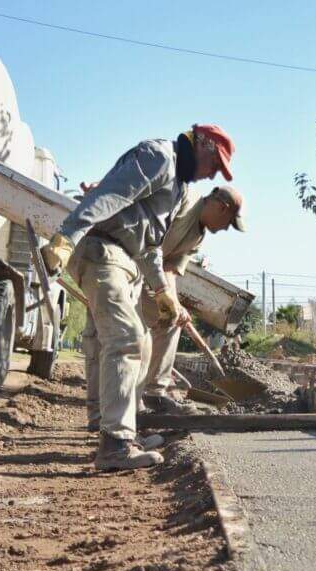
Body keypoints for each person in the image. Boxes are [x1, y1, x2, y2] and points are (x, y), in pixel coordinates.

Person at [41, 124, 235, 471]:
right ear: (202, 145)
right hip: (103, 251)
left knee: (143, 342)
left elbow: (149, 247)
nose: (211, 175)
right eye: (213, 165)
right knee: (126, 338)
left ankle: (124, 431)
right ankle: (114, 445)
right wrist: (66, 236)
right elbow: (107, 197)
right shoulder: (159, 156)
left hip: (125, 260)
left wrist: (162, 291)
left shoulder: (177, 186)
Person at [138, 185, 244, 409]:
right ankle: (119, 397)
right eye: (228, 222)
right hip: (129, 262)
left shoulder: (198, 236)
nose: (225, 229)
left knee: (171, 321)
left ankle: (154, 392)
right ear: (221, 208)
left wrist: (175, 304)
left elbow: (170, 269)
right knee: (131, 333)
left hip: (151, 275)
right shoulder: (185, 201)